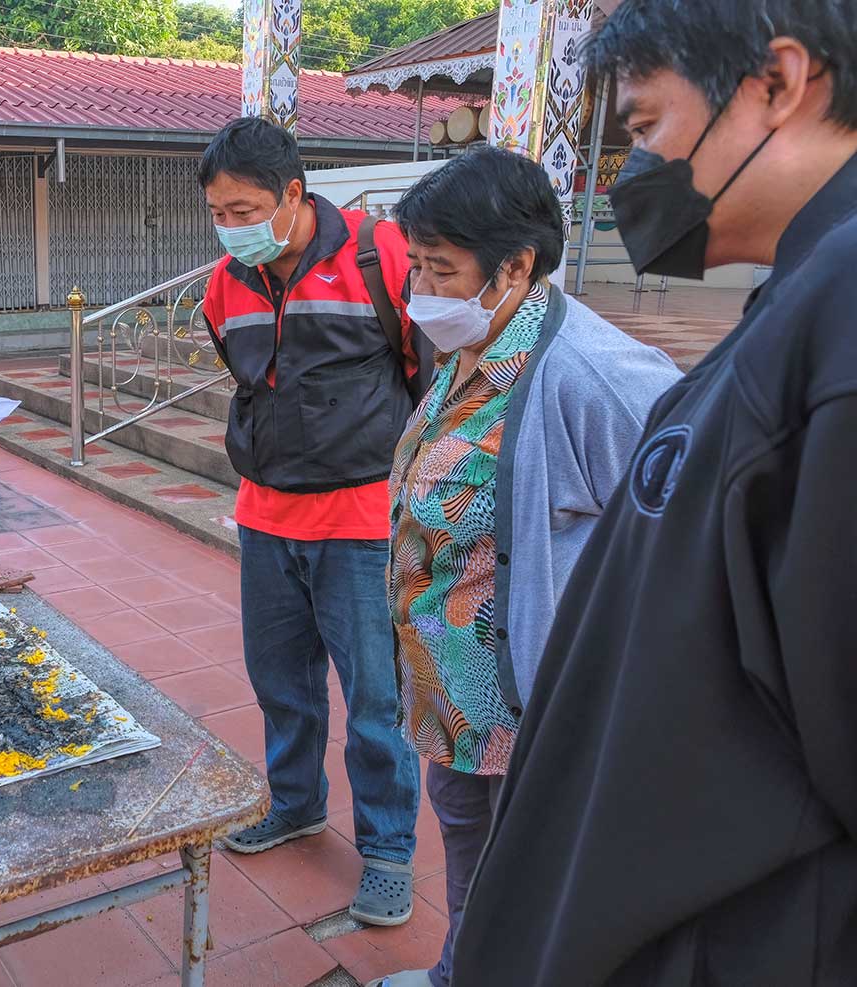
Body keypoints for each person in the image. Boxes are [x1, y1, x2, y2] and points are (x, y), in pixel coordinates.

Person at [451, 2, 857, 983]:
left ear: (777, 84)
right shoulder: (804, 298)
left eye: (642, 126)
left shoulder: (842, 308)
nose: (629, 172)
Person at [370, 147, 680, 987]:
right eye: (417, 266)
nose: (422, 289)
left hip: (527, 704)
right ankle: (458, 972)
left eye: (441, 268)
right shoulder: (480, 338)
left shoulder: (591, 376)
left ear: (516, 264)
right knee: (471, 851)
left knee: (527, 877)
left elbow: (687, 530)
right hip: (453, 695)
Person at [198, 116, 423, 926]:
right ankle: (295, 802)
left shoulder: (378, 253)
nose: (232, 226)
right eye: (219, 212)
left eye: (245, 208)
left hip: (360, 522)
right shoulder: (227, 283)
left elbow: (421, 370)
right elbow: (249, 380)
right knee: (280, 681)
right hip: (265, 517)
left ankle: (389, 850)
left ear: (294, 193)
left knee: (374, 699)